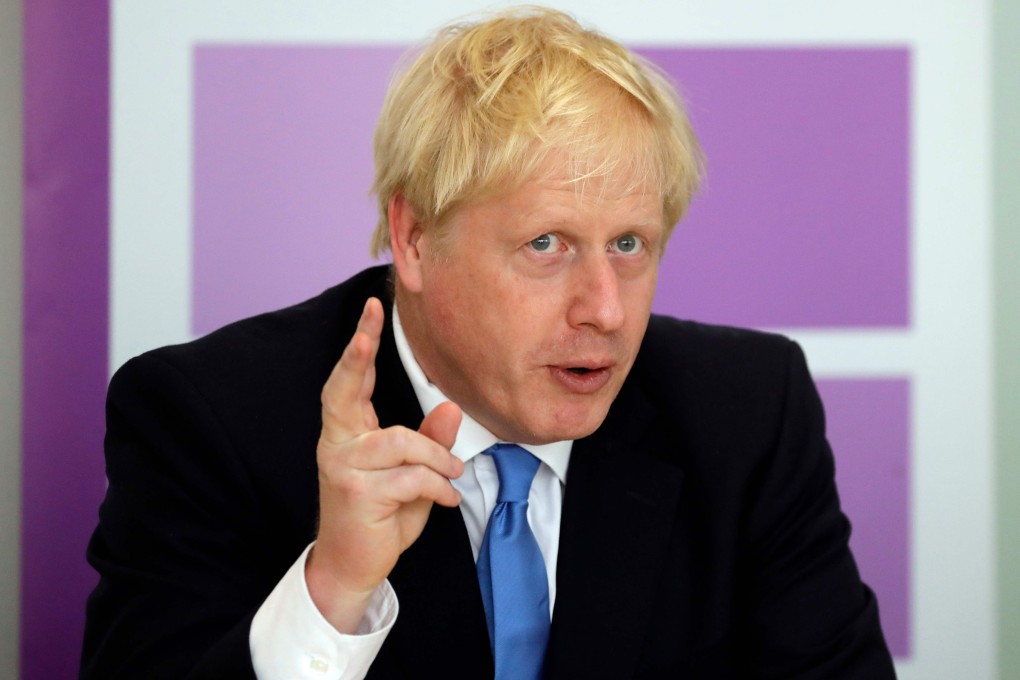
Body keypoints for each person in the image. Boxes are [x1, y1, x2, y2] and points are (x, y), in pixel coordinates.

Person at [82, 6, 896, 679]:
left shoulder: (747, 413)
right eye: (545, 244)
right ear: (414, 238)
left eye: (629, 245)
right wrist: (332, 591)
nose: (606, 311)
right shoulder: (210, 418)